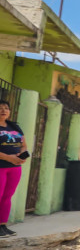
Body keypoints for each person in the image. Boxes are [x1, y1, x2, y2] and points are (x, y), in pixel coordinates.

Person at [0, 99, 27, 238]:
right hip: (1, 166)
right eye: (0, 108)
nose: (3, 110)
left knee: (7, 196)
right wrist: (8, 157)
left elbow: (23, 144)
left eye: (6, 108)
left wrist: (21, 155)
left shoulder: (14, 127)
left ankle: (3, 226)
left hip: (15, 167)